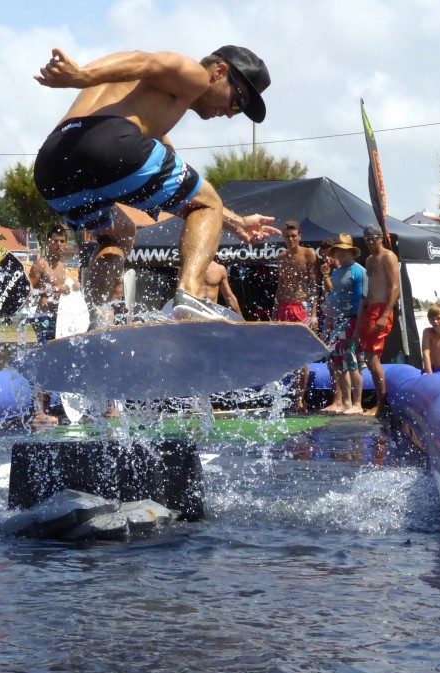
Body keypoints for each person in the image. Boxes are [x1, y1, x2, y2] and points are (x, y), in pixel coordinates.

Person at [33, 45, 280, 329]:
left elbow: (179, 187)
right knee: (209, 201)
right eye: (237, 102)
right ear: (220, 72)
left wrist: (234, 222)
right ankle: (188, 295)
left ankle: (98, 320)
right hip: (107, 139)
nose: (229, 113)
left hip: (51, 167)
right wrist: (80, 74)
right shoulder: (195, 75)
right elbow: (143, 60)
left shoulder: (143, 101)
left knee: (121, 234)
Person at [26, 226, 79, 428]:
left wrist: (74, 287)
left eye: (62, 241)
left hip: (58, 319)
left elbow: (64, 290)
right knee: (43, 360)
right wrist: (55, 289)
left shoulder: (62, 266)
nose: (58, 245)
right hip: (42, 318)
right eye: (55, 241)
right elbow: (28, 291)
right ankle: (39, 411)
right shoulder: (41, 264)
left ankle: (49, 408)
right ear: (48, 242)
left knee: (56, 361)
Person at [273, 221, 319, 410]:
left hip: (302, 306)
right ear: (283, 237)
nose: (290, 239)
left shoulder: (308, 254)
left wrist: (314, 314)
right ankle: (293, 398)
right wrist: (275, 311)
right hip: (285, 306)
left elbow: (315, 286)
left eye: (293, 236)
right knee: (289, 354)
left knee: (302, 355)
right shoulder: (282, 257)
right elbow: (280, 286)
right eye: (287, 236)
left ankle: (300, 399)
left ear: (300, 236)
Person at [317, 235, 366, 415]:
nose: (341, 254)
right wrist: (328, 324)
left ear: (351, 252)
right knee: (338, 363)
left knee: (353, 362)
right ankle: (345, 401)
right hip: (337, 322)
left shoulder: (358, 271)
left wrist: (359, 328)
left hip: (351, 320)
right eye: (339, 251)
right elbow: (332, 296)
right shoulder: (336, 273)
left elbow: (362, 301)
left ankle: (357, 403)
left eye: (345, 251)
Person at [358, 223, 400, 416]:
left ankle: (383, 404)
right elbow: (370, 288)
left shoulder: (388, 256)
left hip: (382, 308)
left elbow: (394, 287)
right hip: (371, 308)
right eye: (367, 238)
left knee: (373, 357)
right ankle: (380, 401)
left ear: (381, 238)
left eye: (373, 238)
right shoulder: (369, 260)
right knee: (368, 357)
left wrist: (385, 314)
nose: (370, 241)